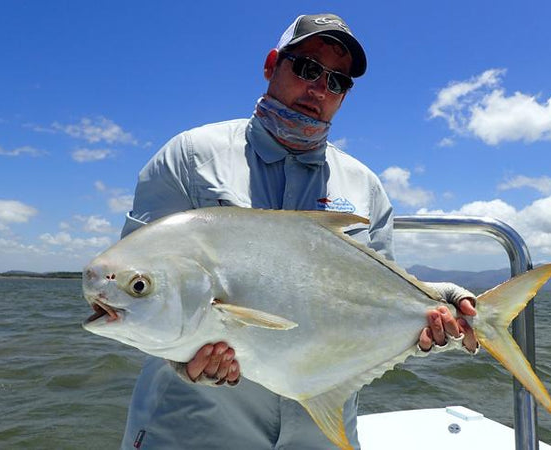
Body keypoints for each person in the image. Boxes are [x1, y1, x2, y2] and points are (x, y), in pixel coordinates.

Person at [119, 13, 478, 449]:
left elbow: (371, 294)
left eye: (338, 82)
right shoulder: (191, 157)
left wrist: (435, 301)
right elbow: (138, 291)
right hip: (195, 426)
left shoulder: (364, 186)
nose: (320, 89)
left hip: (320, 431)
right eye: (308, 68)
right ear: (272, 64)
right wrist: (182, 362)